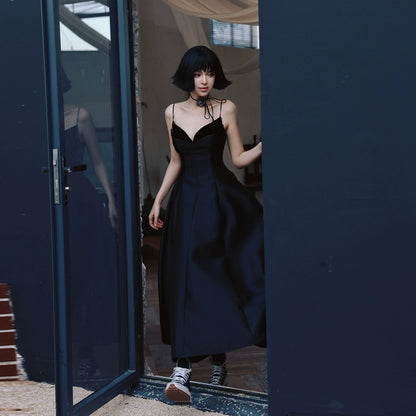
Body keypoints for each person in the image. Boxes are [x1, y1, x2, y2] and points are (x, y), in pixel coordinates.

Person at [148, 46, 266, 403]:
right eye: (198, 73)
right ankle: (182, 369)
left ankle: (217, 360)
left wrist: (269, 142)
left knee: (216, 277)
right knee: (186, 279)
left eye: (210, 73)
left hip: (219, 200)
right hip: (186, 203)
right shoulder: (171, 112)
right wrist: (158, 200)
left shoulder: (226, 107)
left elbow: (238, 159)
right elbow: (176, 161)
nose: (204, 80)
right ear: (188, 75)